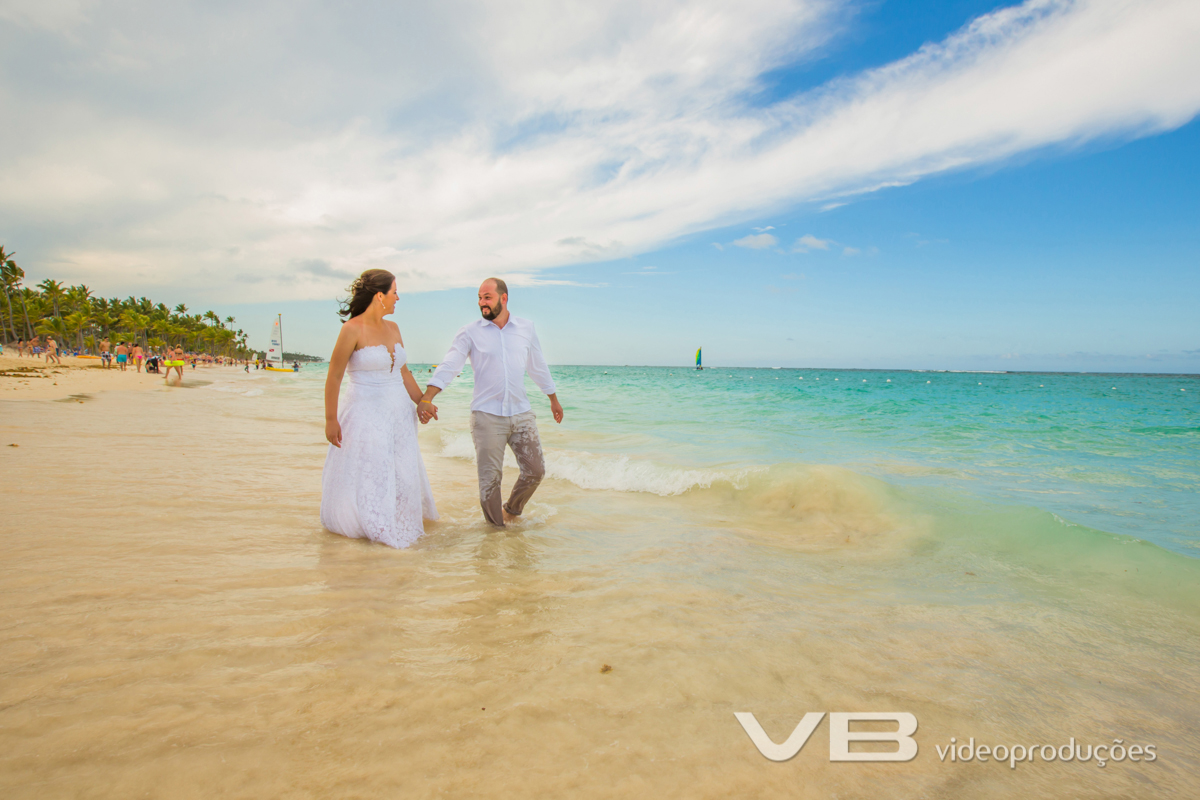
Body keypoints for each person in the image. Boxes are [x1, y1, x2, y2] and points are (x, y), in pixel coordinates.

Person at [418, 278, 563, 527]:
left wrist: (553, 398)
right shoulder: (469, 332)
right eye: (479, 298)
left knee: (535, 471)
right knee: (490, 480)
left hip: (521, 414)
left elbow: (537, 366)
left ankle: (511, 511)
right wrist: (427, 397)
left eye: (487, 297)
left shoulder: (526, 328)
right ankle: (496, 534)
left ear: (503, 298)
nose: (481, 303)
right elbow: (450, 365)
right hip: (486, 416)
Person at [320, 269, 438, 548]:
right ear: (379, 295)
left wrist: (423, 402)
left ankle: (399, 520)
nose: (398, 297)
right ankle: (370, 523)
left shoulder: (394, 328)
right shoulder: (352, 330)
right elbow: (334, 376)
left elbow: (404, 372)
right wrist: (330, 419)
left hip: (399, 414)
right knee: (373, 471)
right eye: (395, 292)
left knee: (401, 471)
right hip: (364, 413)